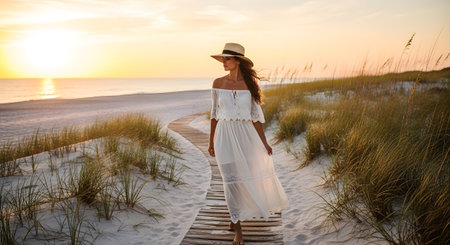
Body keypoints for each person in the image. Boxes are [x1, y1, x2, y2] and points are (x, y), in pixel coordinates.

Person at [208, 43, 289, 245]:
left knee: (244, 178)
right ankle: (238, 230)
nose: (224, 62)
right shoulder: (217, 83)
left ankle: (233, 215)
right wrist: (210, 141)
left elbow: (255, 118)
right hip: (224, 136)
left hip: (246, 136)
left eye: (227, 59)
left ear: (238, 61)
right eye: (223, 59)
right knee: (230, 181)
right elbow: (214, 114)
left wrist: (265, 143)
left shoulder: (250, 85)